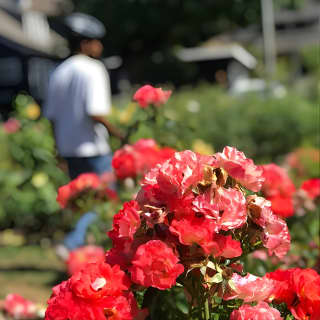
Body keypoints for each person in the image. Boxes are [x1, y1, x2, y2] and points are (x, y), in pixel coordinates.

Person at [44, 13, 123, 258]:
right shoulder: (93, 69)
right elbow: (95, 112)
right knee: (102, 201)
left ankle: (84, 253)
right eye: (96, 41)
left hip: (69, 148)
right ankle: (72, 244)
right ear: (85, 43)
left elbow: (52, 117)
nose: (99, 46)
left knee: (82, 203)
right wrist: (118, 134)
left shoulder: (59, 72)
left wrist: (58, 150)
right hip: (93, 148)